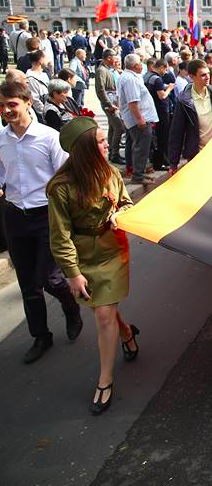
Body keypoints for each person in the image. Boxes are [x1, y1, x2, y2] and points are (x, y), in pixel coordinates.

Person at [46, 117, 139, 415]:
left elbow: (126, 202)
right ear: (85, 149)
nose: (107, 144)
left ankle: (105, 379)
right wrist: (72, 273)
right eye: (100, 141)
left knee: (102, 314)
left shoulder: (111, 172)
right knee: (105, 310)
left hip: (112, 250)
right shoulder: (60, 189)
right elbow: (59, 237)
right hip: (82, 255)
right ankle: (126, 334)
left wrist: (120, 214)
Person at [0, 81, 82, 363]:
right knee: (27, 282)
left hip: (46, 216)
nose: (7, 110)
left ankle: (71, 306)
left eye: (12, 104)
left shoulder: (48, 137)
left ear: (27, 102)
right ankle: (41, 336)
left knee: (49, 278)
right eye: (2, 106)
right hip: (14, 217)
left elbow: (67, 177)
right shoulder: (0, 139)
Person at [168, 59, 212, 173]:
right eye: (203, 75)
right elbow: (177, 132)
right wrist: (173, 164)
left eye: (208, 74)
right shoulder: (184, 100)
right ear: (192, 76)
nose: (207, 77)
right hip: (197, 156)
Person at [117, 53, 159, 184]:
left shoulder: (130, 77)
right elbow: (132, 102)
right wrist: (140, 119)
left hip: (139, 118)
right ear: (136, 66)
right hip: (139, 119)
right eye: (141, 64)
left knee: (141, 147)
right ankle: (138, 176)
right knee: (140, 147)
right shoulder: (130, 79)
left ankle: (139, 173)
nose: (143, 66)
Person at [95, 49, 125, 164]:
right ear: (108, 58)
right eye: (113, 57)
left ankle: (112, 152)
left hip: (112, 101)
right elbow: (100, 89)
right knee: (119, 127)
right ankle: (114, 153)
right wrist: (108, 104)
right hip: (109, 103)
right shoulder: (101, 70)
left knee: (113, 127)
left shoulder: (107, 69)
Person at [145, 58, 175, 171]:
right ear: (161, 67)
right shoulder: (157, 79)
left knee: (156, 138)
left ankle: (157, 160)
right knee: (162, 137)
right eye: (165, 69)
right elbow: (161, 96)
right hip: (161, 111)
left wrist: (165, 87)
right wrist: (170, 89)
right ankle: (160, 162)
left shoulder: (147, 76)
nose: (165, 72)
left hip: (152, 110)